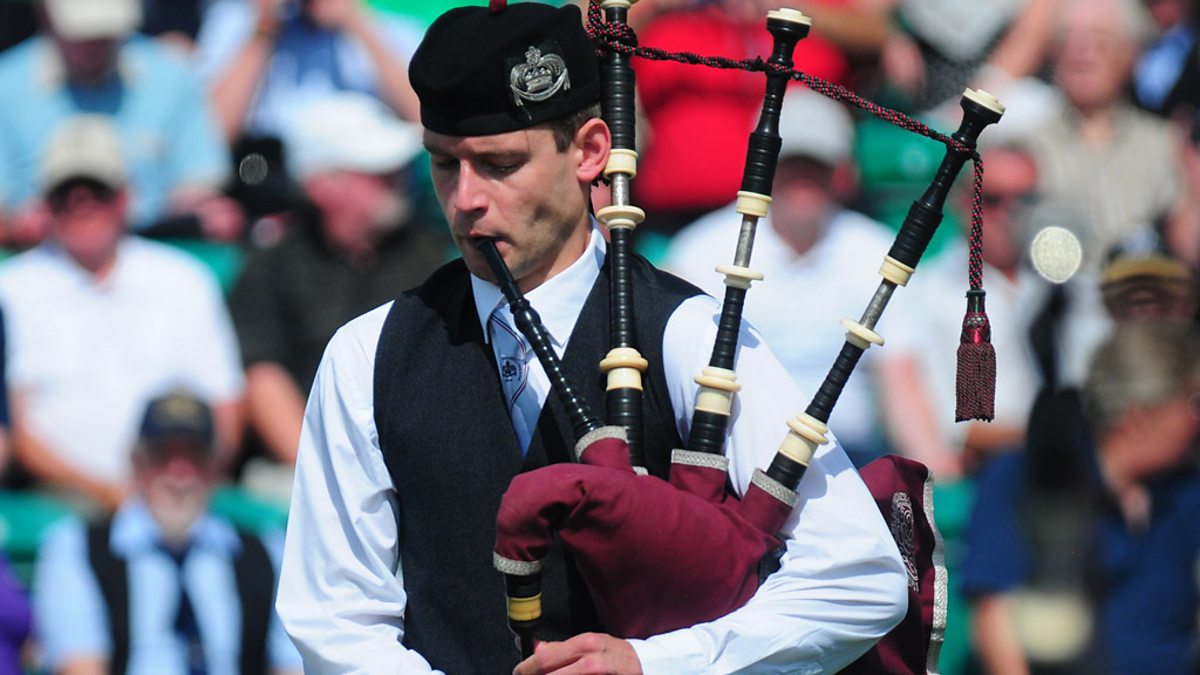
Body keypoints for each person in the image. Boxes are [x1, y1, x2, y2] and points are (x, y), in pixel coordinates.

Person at [276, 3, 908, 674]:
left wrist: (656, 663)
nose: (464, 200)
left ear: (590, 152)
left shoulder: (687, 336)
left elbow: (857, 577)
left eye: (499, 164)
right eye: (443, 165)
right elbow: (334, 614)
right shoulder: (367, 355)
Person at [0, 115, 244, 513]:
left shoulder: (183, 279)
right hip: (64, 498)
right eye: (66, 192)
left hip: (182, 487)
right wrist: (108, 493)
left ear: (126, 196)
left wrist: (192, 480)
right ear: (45, 203)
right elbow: (18, 431)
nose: (82, 203)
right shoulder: (10, 289)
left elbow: (226, 405)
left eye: (98, 189)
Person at [663, 88, 898, 466]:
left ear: (840, 173)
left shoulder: (877, 252)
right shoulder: (701, 249)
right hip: (738, 449)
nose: (803, 181)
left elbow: (902, 381)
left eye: (816, 166)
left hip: (848, 452)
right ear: (766, 166)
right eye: (791, 164)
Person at [962, 322, 1200, 674]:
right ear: (1141, 416)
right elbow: (998, 626)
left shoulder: (1184, 490)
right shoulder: (1026, 476)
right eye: (1194, 404)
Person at [229, 92, 449, 466]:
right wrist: (326, 474)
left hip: (423, 461)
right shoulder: (272, 268)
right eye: (378, 172)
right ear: (323, 187)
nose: (398, 178)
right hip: (305, 469)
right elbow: (263, 378)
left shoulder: (429, 254)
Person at [31, 390, 301, 675]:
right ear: (137, 463)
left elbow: (293, 667)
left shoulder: (265, 550)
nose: (178, 475)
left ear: (216, 466)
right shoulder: (78, 547)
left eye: (194, 456)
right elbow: (79, 666)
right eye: (163, 455)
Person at [0, 0, 241, 245]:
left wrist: (199, 211)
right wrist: (17, 226)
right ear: (45, 14)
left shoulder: (172, 76)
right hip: (37, 258)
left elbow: (198, 184)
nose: (94, 42)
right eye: (81, 31)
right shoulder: (6, 86)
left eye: (106, 30)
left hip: (154, 251)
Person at [194, 0, 424, 143]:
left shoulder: (386, 23)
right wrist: (264, 29)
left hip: (359, 188)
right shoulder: (234, 20)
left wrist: (355, 22)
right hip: (264, 181)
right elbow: (212, 138)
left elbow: (423, 117)